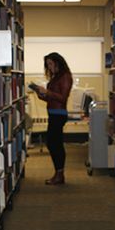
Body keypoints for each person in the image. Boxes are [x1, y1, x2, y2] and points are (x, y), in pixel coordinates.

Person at [31, 52, 73, 185]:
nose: (48, 67)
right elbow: (50, 98)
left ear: (57, 62)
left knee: (55, 144)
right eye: (47, 64)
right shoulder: (55, 77)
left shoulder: (65, 77)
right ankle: (58, 173)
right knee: (54, 143)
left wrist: (47, 92)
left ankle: (59, 174)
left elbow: (62, 98)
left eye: (50, 63)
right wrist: (40, 93)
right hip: (53, 113)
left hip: (59, 115)